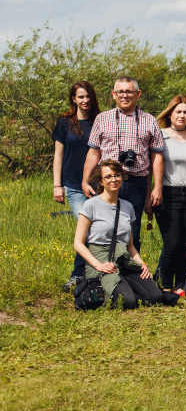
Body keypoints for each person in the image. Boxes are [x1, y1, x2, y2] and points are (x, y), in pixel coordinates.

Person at [82, 76, 165, 251]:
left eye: (129, 91)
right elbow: (93, 152)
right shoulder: (102, 118)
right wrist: (85, 180)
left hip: (136, 183)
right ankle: (94, 266)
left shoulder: (150, 120)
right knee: (99, 228)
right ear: (114, 94)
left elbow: (157, 156)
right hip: (106, 181)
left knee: (131, 230)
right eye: (120, 92)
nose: (124, 95)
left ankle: (129, 267)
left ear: (138, 94)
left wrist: (157, 187)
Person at [73, 160, 169, 309]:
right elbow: (78, 243)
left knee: (155, 296)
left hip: (123, 260)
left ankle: (127, 286)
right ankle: (110, 291)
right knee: (127, 301)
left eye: (117, 175)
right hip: (101, 261)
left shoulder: (127, 207)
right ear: (101, 181)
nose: (113, 179)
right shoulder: (91, 205)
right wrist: (99, 265)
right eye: (108, 176)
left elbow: (130, 246)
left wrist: (142, 264)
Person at [154, 95, 186, 293]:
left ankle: (180, 284)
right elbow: (154, 165)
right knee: (172, 241)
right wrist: (155, 190)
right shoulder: (160, 135)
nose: (182, 116)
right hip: (168, 192)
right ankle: (165, 284)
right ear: (170, 114)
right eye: (178, 112)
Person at [53, 80, 99, 290]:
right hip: (73, 185)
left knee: (98, 230)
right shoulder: (64, 122)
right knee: (86, 230)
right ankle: (78, 275)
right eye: (81, 96)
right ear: (74, 99)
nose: (85, 100)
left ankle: (96, 274)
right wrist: (57, 185)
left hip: (98, 185)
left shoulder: (99, 120)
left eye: (88, 96)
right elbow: (58, 155)